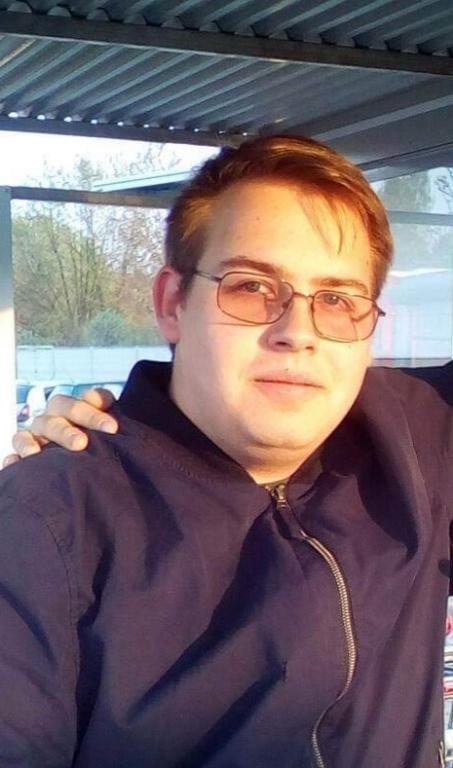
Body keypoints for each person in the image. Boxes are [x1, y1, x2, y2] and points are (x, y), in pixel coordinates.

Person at [1, 135, 452, 768]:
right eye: (251, 287)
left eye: (337, 300)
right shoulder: (47, 525)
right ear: (172, 304)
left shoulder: (421, 438)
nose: (297, 333)